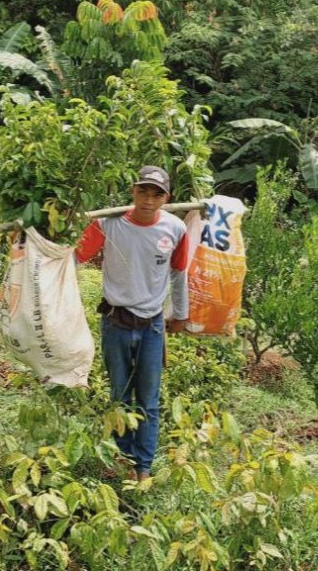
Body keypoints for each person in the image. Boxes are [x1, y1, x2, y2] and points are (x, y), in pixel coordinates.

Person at [75, 165, 189, 481]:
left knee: (149, 400)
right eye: (143, 192)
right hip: (116, 323)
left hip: (152, 325)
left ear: (166, 198)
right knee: (120, 396)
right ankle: (124, 459)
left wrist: (180, 314)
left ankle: (144, 466)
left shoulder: (175, 229)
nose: (149, 200)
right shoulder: (107, 224)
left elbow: (179, 274)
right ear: (133, 192)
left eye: (157, 194)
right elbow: (75, 257)